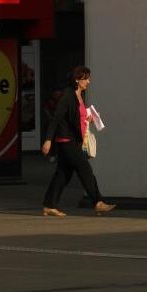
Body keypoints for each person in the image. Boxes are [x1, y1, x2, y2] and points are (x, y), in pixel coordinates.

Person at [41, 65, 115, 217]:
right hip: (66, 140)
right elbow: (56, 118)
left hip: (74, 140)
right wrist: (48, 140)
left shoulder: (79, 96)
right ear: (77, 80)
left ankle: (49, 205)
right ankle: (98, 202)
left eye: (89, 79)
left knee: (63, 174)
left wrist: (89, 119)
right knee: (85, 168)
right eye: (86, 79)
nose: (88, 81)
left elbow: (76, 118)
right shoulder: (67, 96)